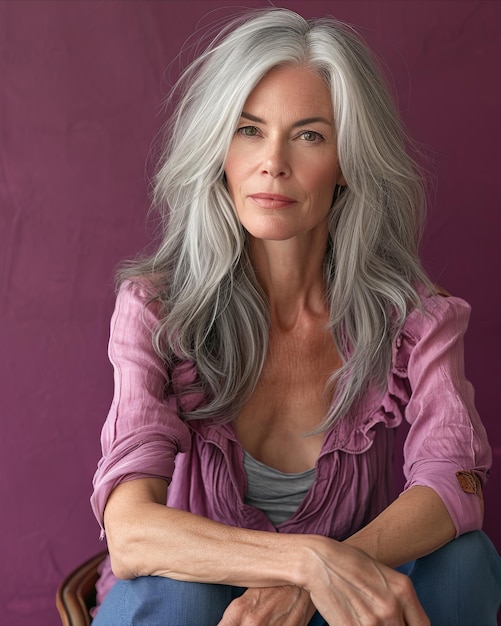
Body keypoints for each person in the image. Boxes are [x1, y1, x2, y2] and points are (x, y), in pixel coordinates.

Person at [90, 8, 501, 625]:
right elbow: (131, 533)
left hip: (335, 610)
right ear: (218, 149)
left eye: (309, 135)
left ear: (347, 163)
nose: (272, 163)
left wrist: (325, 576)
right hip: (195, 608)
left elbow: (456, 488)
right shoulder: (156, 311)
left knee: (465, 559)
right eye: (249, 130)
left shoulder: (412, 318)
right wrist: (305, 562)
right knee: (176, 595)